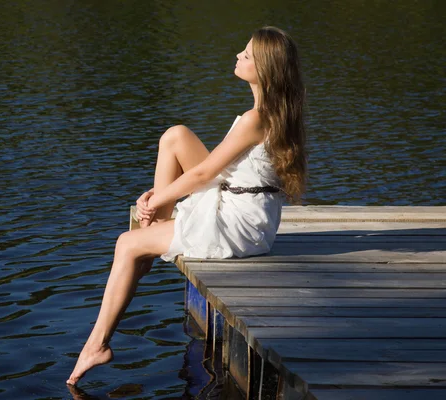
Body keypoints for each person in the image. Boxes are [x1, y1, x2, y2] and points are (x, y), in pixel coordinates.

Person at [66, 26, 307, 386]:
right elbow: (216, 173)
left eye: (246, 54)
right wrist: (159, 200)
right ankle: (150, 239)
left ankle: (96, 345)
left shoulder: (257, 119)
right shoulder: (267, 112)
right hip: (246, 206)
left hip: (240, 224)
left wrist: (156, 197)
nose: (237, 56)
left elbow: (206, 173)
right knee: (175, 136)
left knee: (125, 243)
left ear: (265, 69)